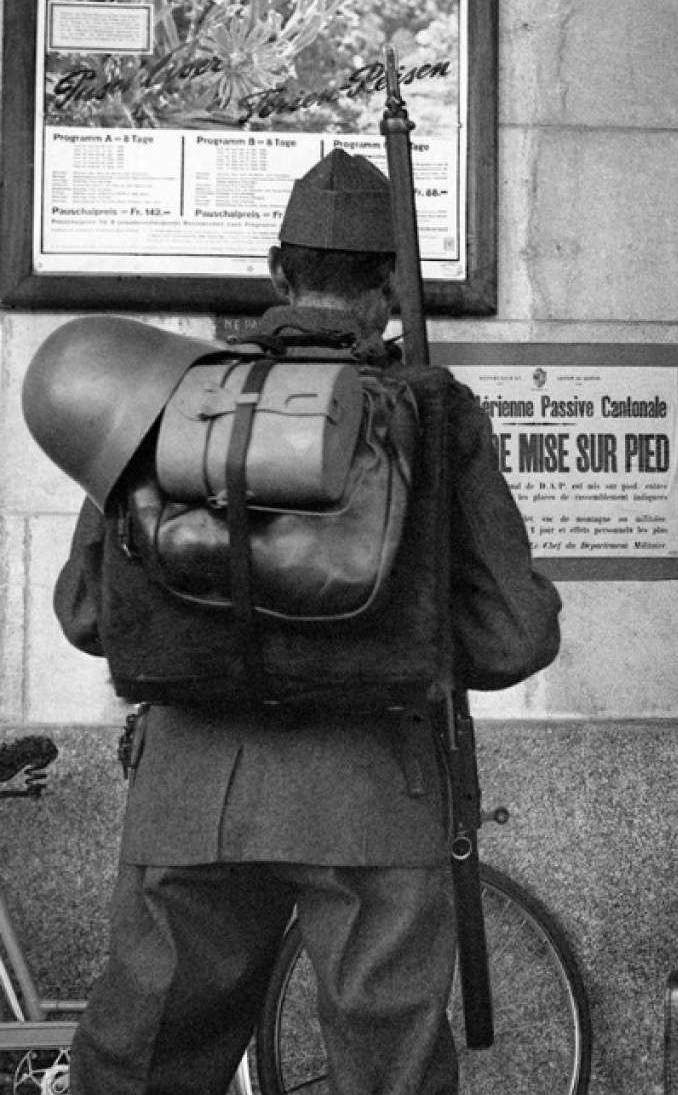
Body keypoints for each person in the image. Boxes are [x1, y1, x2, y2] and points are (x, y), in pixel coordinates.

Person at [50, 149, 562, 1095]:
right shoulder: (433, 411)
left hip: (189, 799)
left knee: (141, 1069)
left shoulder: (174, 396)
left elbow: (87, 612)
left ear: (278, 273)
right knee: (387, 1079)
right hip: (375, 798)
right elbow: (517, 634)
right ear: (388, 291)